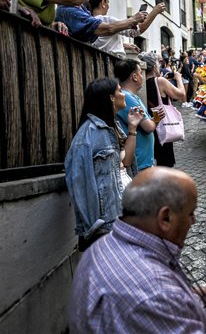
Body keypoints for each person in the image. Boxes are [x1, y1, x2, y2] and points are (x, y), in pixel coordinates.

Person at [68, 167, 206, 333]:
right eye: (190, 213)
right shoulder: (155, 293)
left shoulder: (103, 244)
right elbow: (153, 295)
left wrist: (200, 294)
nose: (193, 221)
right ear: (165, 218)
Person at [64, 78, 144, 251]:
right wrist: (95, 228)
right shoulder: (87, 136)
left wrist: (132, 128)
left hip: (122, 212)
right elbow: (81, 185)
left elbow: (126, 162)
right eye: (119, 91)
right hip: (107, 225)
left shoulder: (111, 126)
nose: (123, 94)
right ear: (111, 98)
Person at [138, 52, 186, 168]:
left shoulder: (140, 82)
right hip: (162, 126)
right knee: (164, 163)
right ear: (154, 66)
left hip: (146, 124)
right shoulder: (160, 81)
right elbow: (181, 95)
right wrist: (179, 78)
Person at [114, 59, 162, 171]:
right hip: (138, 162)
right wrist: (157, 118)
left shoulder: (133, 96)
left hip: (143, 160)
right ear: (134, 77)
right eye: (141, 73)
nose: (142, 76)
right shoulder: (127, 97)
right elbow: (148, 127)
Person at [89, 0, 165, 55]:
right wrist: (155, 11)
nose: (108, 6)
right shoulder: (106, 20)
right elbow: (137, 31)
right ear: (103, 3)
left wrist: (123, 45)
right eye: (107, 3)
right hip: (113, 61)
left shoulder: (89, 22)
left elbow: (104, 42)